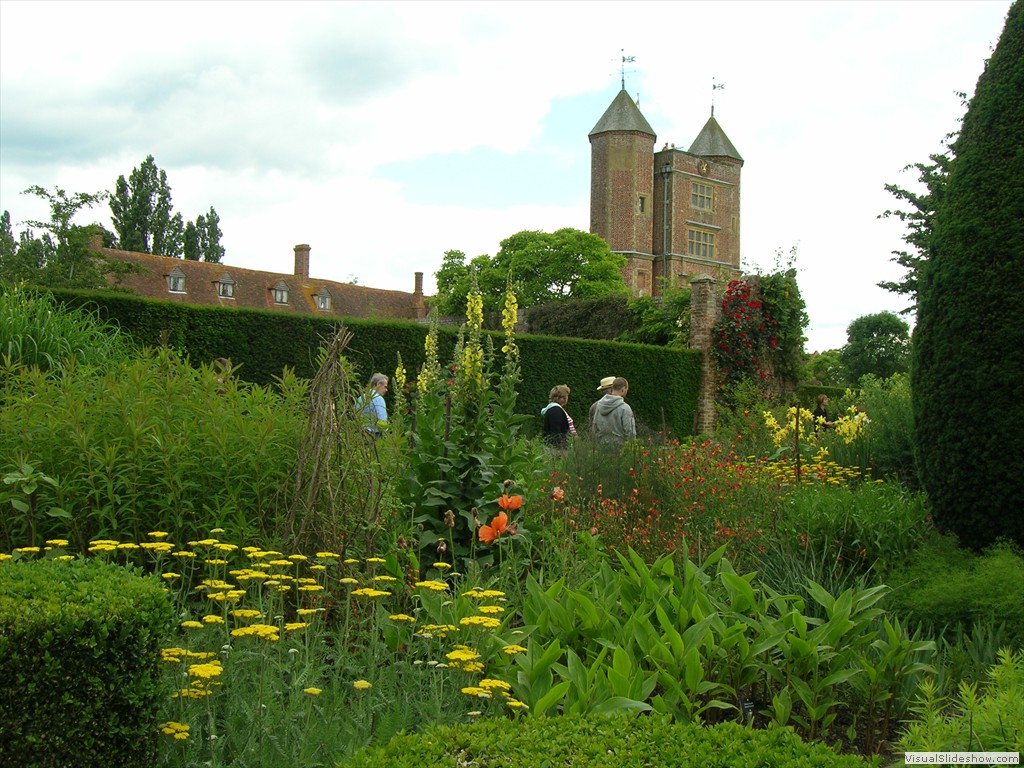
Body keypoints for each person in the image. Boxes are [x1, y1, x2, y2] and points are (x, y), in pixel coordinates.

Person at [591, 377, 636, 445]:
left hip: (602, 447)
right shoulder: (625, 408)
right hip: (620, 448)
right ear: (623, 389)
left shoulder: (598, 406)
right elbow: (630, 433)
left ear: (612, 388)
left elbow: (594, 428)